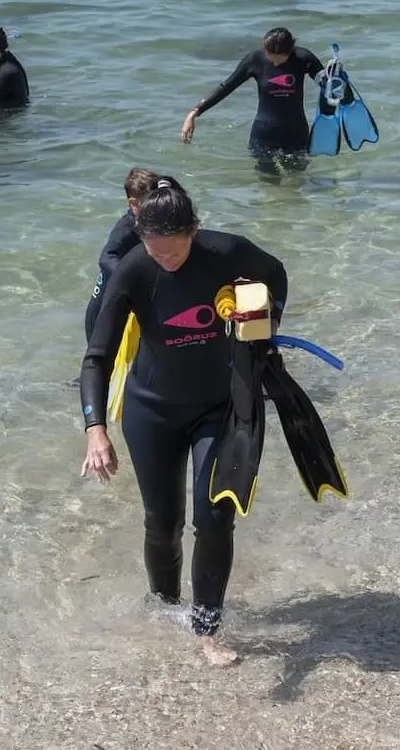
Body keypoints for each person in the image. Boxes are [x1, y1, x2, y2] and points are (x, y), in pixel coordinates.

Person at [77, 177, 289, 666]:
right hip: (151, 410)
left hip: (218, 406)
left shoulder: (227, 253)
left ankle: (206, 629)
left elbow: (275, 276)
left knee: (215, 517)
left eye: (174, 253)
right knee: (162, 523)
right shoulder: (132, 270)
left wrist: (259, 322)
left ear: (194, 230)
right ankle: (165, 611)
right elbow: (97, 357)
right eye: (157, 253)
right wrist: (95, 430)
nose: (166, 261)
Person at [181, 28, 325, 176]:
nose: (273, 61)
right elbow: (226, 87)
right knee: (268, 182)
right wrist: (195, 112)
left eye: (278, 57)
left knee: (296, 180)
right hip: (264, 133)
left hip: (296, 133)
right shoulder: (255, 60)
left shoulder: (303, 58)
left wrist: (336, 81)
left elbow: (330, 86)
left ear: (290, 51)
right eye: (269, 54)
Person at [83, 167, 159, 340]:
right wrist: (133, 278)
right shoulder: (126, 228)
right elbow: (106, 257)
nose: (157, 207)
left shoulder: (151, 226)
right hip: (103, 311)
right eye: (151, 203)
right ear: (133, 204)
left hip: (123, 304)